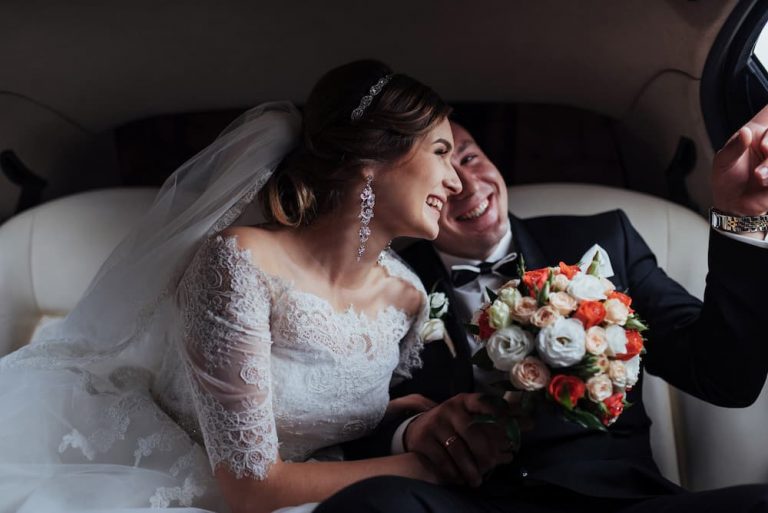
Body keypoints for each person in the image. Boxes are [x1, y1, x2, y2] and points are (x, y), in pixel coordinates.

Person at [0, 60, 464, 513]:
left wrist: (404, 420)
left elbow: (314, 408)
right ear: (372, 157)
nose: (456, 180)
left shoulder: (408, 297)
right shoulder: (241, 263)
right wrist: (423, 469)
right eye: (441, 151)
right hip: (186, 486)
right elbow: (253, 490)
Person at [322, 114, 768, 513]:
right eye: (442, 177)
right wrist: (412, 433)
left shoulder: (604, 240)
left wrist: (741, 219)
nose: (470, 187)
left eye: (471, 158)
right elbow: (349, 424)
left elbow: (724, 374)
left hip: (621, 500)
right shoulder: (379, 282)